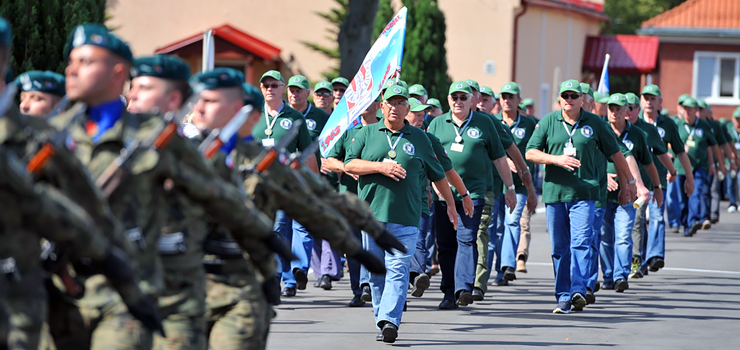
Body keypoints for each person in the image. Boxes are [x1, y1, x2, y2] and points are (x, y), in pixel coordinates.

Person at [48, 24, 283, 349]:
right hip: (60, 287)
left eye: (85, 62)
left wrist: (266, 259)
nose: (71, 71)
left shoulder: (169, 144)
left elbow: (221, 200)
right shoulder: (51, 134)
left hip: (154, 286)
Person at [345, 84, 458, 343]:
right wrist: (379, 168)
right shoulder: (366, 133)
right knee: (376, 274)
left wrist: (451, 204)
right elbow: (350, 164)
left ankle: (390, 321)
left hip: (406, 218)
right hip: (370, 217)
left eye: (400, 103)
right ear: (381, 106)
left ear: (408, 108)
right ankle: (382, 317)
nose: (395, 107)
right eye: (390, 102)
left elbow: (438, 175)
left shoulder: (420, 138)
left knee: (397, 270)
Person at [526, 80, 636, 313]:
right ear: (560, 99)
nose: (569, 100)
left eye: (573, 96)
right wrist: (556, 159)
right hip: (556, 195)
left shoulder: (594, 123)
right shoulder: (548, 121)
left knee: (581, 243)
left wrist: (629, 182)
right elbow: (530, 152)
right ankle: (563, 295)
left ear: (582, 99)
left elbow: (616, 154)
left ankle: (578, 290)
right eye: (565, 95)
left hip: (585, 194)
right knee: (559, 247)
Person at [126, 54, 209, 350]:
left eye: (144, 87)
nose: (132, 94)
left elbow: (223, 205)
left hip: (173, 283)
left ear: (173, 99)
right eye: (132, 86)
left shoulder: (184, 150)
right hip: (116, 282)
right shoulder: (104, 139)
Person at [428, 81, 517, 307]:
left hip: (474, 193)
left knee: (467, 238)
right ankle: (449, 292)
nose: (458, 102)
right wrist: (430, 188)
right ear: (448, 100)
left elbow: (499, 157)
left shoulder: (485, 122)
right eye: (454, 97)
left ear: (472, 100)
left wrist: (510, 188)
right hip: (443, 194)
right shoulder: (437, 124)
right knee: (446, 245)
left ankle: (463, 288)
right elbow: (428, 160)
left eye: (463, 98)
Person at [252, 70, 316, 297]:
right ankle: (279, 277)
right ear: (261, 89)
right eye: (265, 85)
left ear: (282, 89)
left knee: (291, 228)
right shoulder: (253, 116)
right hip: (260, 186)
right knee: (271, 231)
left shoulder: (295, 117)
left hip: (288, 183)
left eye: (274, 85)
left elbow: (308, 154)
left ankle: (289, 273)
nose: (269, 88)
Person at [406, 98, 471, 299]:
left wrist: (462, 196)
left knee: (418, 241)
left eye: (422, 114)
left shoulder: (428, 139)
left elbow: (446, 171)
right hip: (389, 205)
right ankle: (399, 291)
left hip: (419, 202)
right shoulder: (382, 135)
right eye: (415, 114)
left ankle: (417, 275)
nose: (420, 118)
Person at [600, 93, 661, 293]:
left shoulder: (637, 135)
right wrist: (604, 175)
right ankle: (608, 275)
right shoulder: (600, 130)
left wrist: (656, 187)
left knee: (624, 235)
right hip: (603, 193)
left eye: (619, 109)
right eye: (611, 109)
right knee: (604, 237)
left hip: (627, 193)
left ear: (628, 111)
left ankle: (620, 276)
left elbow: (648, 163)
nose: (614, 113)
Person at [325, 98, 382, 306]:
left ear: (379, 105)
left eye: (372, 100)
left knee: (375, 244)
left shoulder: (385, 132)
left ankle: (376, 287)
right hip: (350, 198)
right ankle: (359, 290)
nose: (367, 104)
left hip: (378, 198)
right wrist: (346, 167)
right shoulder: (348, 132)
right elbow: (329, 160)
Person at [286, 74, 339, 290]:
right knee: (285, 228)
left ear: (306, 93)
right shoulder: (280, 116)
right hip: (285, 181)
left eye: (299, 90)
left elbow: (334, 141)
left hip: (316, 179)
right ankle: (293, 277)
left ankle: (322, 271)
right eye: (292, 89)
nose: (295, 94)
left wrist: (329, 161)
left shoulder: (321, 116)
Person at [626, 87, 676, 277]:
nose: (628, 111)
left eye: (631, 107)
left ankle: (645, 258)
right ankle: (636, 260)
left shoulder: (653, 129)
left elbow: (664, 154)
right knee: (629, 224)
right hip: (622, 184)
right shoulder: (613, 127)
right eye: (645, 98)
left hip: (648, 183)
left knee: (645, 220)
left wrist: (673, 171)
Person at [493, 83, 538, 278]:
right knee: (497, 228)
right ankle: (499, 269)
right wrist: (504, 163)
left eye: (511, 97)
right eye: (503, 96)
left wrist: (532, 189)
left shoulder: (529, 124)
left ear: (519, 100)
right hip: (495, 184)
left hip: (519, 185)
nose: (506, 100)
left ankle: (507, 265)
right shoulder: (492, 121)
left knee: (512, 222)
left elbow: (532, 152)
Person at [674, 97, 717, 237]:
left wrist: (713, 164)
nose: (687, 112)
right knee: (682, 198)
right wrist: (680, 149)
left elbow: (710, 146)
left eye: (690, 109)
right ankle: (686, 224)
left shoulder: (703, 126)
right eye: (685, 109)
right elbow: (667, 143)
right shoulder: (677, 124)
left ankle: (693, 221)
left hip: (699, 165)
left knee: (695, 192)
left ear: (696, 111)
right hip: (680, 167)